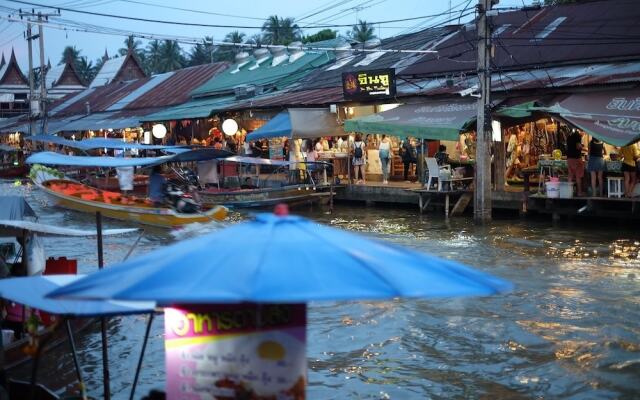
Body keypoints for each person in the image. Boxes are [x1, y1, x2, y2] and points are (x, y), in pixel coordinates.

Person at [566, 129, 585, 196]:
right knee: (578, 176)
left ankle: (568, 193)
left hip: (569, 158)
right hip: (576, 158)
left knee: (570, 176)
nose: (584, 134)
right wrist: (582, 148)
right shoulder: (577, 135)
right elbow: (578, 146)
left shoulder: (569, 136)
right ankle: (579, 192)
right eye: (584, 132)